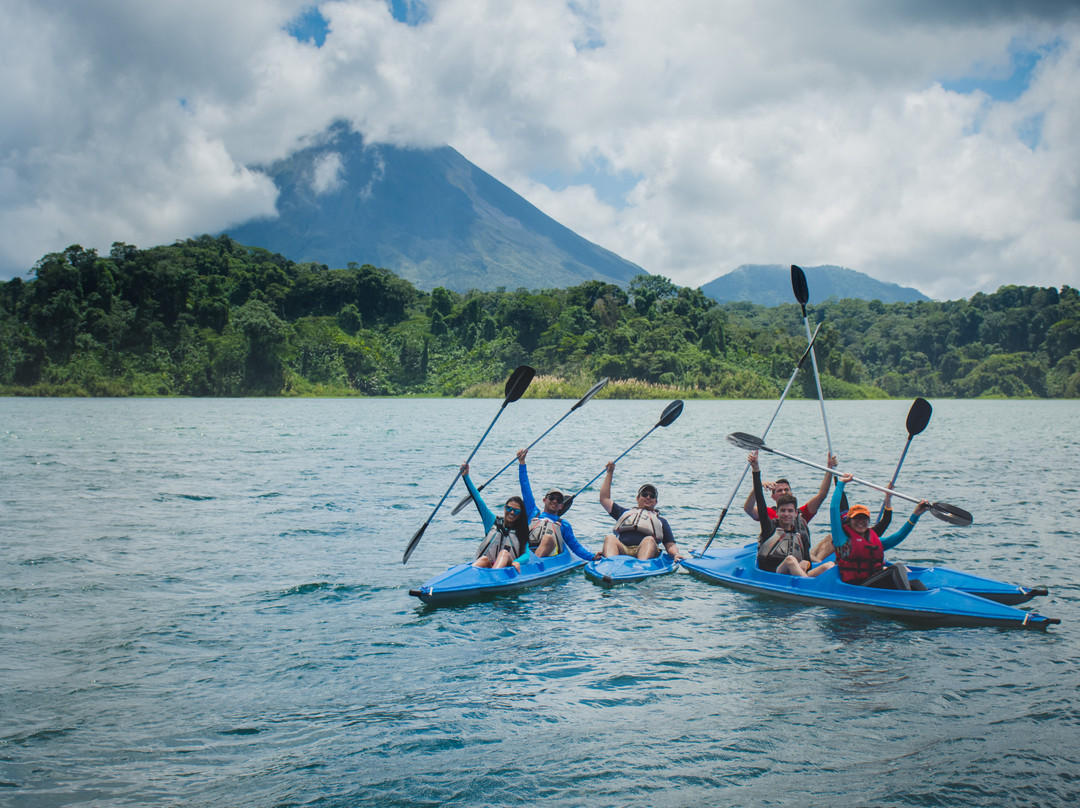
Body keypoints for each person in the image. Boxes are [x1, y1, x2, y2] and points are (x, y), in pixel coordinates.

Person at [828, 472, 930, 590]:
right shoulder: (842, 539)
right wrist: (841, 483)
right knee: (897, 568)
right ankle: (906, 598)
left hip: (873, 582)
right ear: (849, 522)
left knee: (916, 583)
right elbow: (833, 509)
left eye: (864, 518)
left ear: (868, 521)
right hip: (857, 587)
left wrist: (916, 514)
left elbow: (899, 536)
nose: (860, 521)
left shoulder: (874, 540)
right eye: (856, 518)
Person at [749, 452, 834, 577]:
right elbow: (760, 502)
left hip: (795, 572)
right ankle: (806, 587)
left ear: (795, 513)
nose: (786, 514)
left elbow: (806, 559)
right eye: (782, 511)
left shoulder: (799, 533)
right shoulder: (769, 527)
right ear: (777, 512)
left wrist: (807, 563)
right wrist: (756, 469)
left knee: (829, 565)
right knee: (790, 559)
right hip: (773, 573)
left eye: (790, 511)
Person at [516, 448, 595, 561]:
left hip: (550, 554)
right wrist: (522, 463)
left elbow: (575, 547)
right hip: (527, 552)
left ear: (561, 506)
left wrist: (593, 557)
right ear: (544, 500)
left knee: (547, 538)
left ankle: (532, 564)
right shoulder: (533, 512)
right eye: (552, 498)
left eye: (558, 500)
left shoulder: (564, 524)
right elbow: (525, 487)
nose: (554, 501)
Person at [598, 460, 684, 560]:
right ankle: (610, 564)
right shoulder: (624, 513)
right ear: (637, 498)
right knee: (610, 538)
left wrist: (676, 554)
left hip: (647, 550)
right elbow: (604, 499)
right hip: (623, 549)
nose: (648, 497)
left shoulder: (661, 521)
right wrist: (610, 473)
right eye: (644, 495)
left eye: (652, 496)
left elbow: (670, 544)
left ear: (656, 502)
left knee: (649, 540)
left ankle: (641, 567)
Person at [460, 462, 531, 570]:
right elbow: (477, 499)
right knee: (483, 559)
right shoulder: (491, 521)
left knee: (504, 553)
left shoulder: (521, 530)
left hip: (507, 569)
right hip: (488, 565)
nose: (511, 512)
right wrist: (466, 476)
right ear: (504, 508)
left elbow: (526, 555)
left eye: (516, 511)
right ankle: (467, 575)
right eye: (509, 509)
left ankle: (494, 574)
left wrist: (516, 562)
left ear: (520, 514)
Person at [744, 451, 837, 524]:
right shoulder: (769, 513)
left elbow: (822, 495)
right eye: (780, 490)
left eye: (786, 490)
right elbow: (748, 509)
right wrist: (758, 485)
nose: (784, 492)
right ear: (773, 497)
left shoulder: (801, 513)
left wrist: (829, 469)